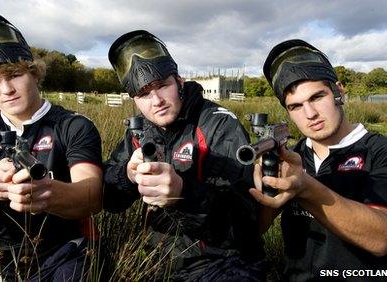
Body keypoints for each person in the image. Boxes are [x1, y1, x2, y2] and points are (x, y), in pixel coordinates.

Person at [0, 12, 103, 281]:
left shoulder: (74, 125)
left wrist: (46, 193)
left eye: (14, 75)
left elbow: (92, 196)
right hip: (4, 259)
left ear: (35, 74)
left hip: (68, 252)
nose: (6, 89)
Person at [103, 30, 266, 281]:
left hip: (223, 261)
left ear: (179, 81)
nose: (156, 100)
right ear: (134, 99)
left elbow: (244, 221)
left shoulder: (219, 125)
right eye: (144, 93)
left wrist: (183, 193)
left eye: (162, 85)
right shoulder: (139, 132)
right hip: (156, 259)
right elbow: (107, 200)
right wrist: (126, 175)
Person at [253, 39, 387, 281]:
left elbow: (383, 238)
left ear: (339, 91)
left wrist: (304, 187)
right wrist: (267, 188)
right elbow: (256, 231)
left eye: (317, 97)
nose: (310, 114)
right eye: (295, 106)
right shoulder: (292, 157)